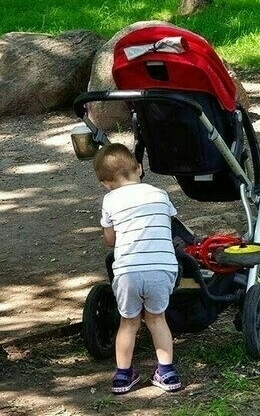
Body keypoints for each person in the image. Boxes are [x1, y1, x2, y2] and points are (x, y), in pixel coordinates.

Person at [93, 143, 182, 394]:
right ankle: (166, 372)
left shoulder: (110, 200)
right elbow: (166, 226)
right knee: (157, 319)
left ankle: (123, 376)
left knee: (129, 323)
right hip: (162, 267)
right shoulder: (160, 194)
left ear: (105, 184)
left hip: (128, 271)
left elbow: (110, 240)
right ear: (139, 168)